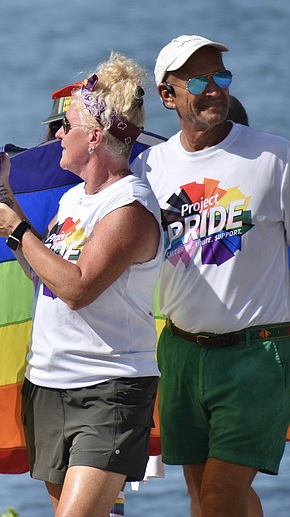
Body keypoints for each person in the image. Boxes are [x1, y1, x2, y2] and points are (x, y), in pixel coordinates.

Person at [0, 52, 162, 517]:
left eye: (66, 125)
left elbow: (77, 289)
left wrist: (17, 229)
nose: (57, 134)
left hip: (109, 388)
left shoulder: (129, 207)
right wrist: (6, 197)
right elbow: (45, 275)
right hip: (48, 383)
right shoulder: (75, 198)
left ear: (94, 137)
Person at [132, 35, 290, 517]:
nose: (215, 89)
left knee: (220, 497)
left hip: (257, 353)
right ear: (168, 95)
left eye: (221, 75)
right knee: (207, 496)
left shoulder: (274, 158)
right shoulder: (148, 168)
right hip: (181, 354)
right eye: (198, 81)